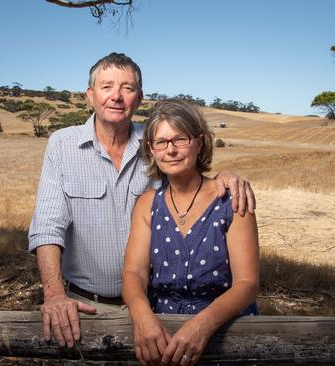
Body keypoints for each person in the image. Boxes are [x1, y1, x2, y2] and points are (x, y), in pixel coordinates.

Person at [28, 53, 256, 349]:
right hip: (83, 304)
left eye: (127, 88)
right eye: (107, 86)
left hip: (152, 306)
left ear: (139, 98)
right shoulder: (62, 144)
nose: (116, 96)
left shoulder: (153, 142)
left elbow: (188, 175)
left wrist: (226, 175)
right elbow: (47, 226)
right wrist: (56, 296)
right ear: (90, 95)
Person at [122, 99, 259, 366]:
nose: (170, 150)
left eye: (180, 139)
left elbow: (247, 283)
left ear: (199, 142)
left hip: (225, 333)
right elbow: (133, 272)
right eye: (161, 142)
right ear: (151, 149)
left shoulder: (232, 199)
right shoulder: (147, 204)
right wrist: (143, 318)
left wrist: (201, 327)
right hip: (161, 334)